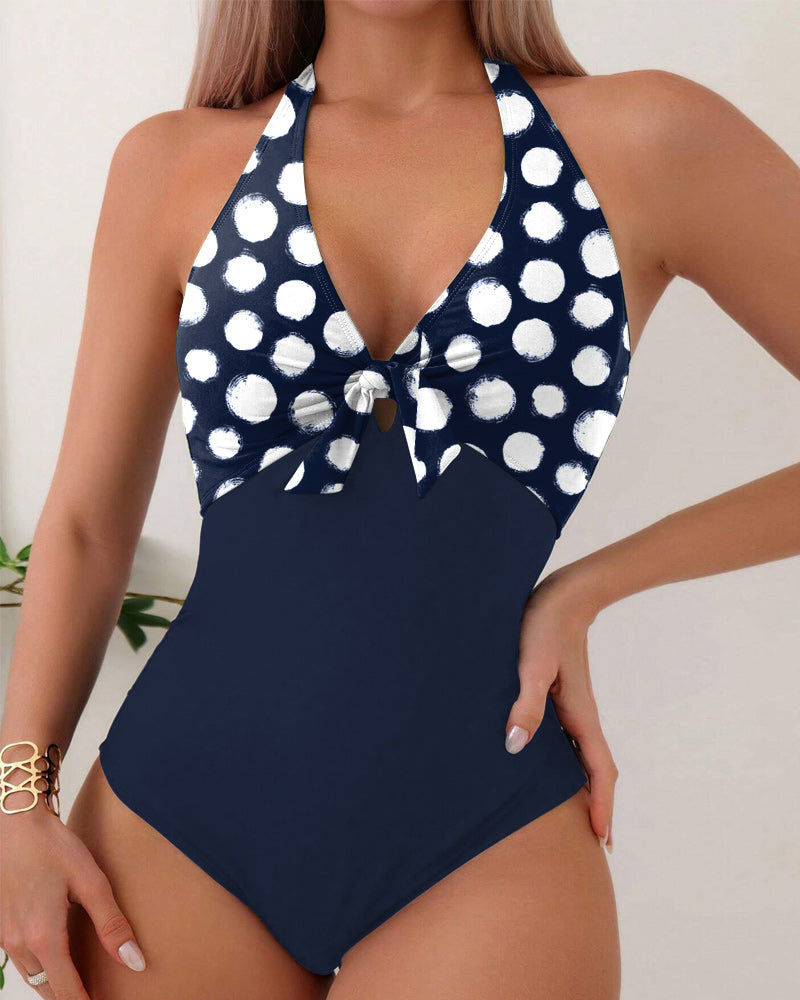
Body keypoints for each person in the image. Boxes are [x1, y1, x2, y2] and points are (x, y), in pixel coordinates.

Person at [2, 2, 799, 998]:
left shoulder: (648, 139)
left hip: (484, 835)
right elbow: (85, 526)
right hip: (172, 831)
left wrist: (589, 586)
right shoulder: (171, 164)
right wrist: (17, 806)